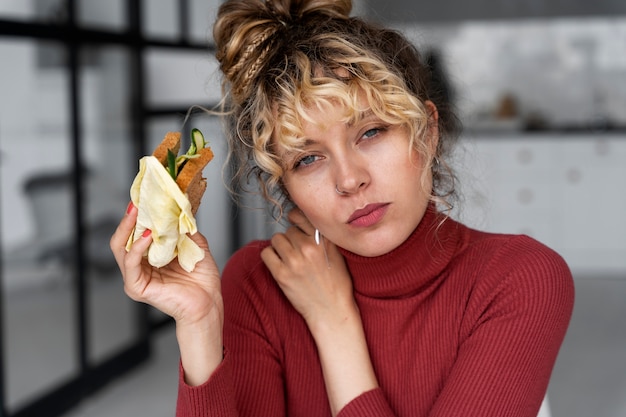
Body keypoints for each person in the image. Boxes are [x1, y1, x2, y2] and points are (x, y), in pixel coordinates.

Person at [110, 0, 575, 416]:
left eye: (371, 132)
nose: (350, 179)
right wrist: (200, 326)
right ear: (285, 185)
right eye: (307, 158)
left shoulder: (520, 279)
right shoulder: (255, 284)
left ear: (427, 133)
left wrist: (334, 323)